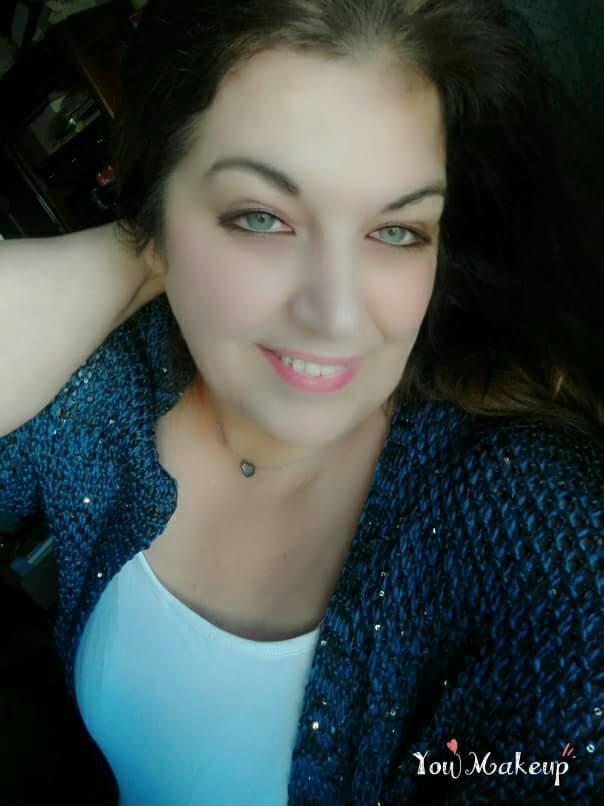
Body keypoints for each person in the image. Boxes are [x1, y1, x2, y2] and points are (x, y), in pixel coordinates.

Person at [1, 0, 602, 803]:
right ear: (155, 209)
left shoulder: (537, 529)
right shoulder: (117, 381)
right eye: (261, 217)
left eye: (398, 231)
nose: (337, 316)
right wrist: (137, 256)